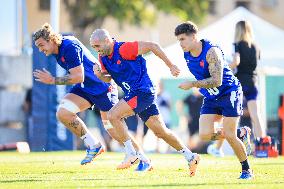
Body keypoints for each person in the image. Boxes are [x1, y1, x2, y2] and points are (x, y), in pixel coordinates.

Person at [32, 23, 150, 171]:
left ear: (51, 40)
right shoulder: (57, 51)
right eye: (38, 46)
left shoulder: (68, 46)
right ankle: (94, 145)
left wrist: (53, 80)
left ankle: (144, 159)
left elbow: (79, 76)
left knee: (113, 129)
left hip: (101, 86)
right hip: (86, 88)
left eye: (41, 45)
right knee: (63, 113)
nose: (40, 49)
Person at [90, 29, 200, 176]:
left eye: (97, 46)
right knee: (161, 132)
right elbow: (109, 78)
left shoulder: (124, 48)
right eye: (93, 47)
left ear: (107, 41)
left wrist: (171, 65)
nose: (95, 49)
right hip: (136, 94)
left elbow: (153, 46)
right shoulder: (103, 57)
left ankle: (132, 154)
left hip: (142, 91)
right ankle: (191, 157)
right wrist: (100, 75)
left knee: (112, 116)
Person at [174, 21, 253, 179]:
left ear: (194, 36)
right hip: (211, 95)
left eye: (182, 39)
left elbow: (217, 80)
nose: (180, 43)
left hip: (229, 92)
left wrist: (192, 84)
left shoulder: (211, 51)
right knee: (204, 134)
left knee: (230, 135)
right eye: (178, 40)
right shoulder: (187, 53)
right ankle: (241, 132)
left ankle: (247, 170)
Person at [230, 20, 266, 138]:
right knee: (256, 115)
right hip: (253, 82)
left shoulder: (237, 45)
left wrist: (225, 68)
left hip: (240, 82)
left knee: (233, 114)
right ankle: (263, 142)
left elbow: (236, 62)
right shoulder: (256, 46)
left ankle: (232, 140)